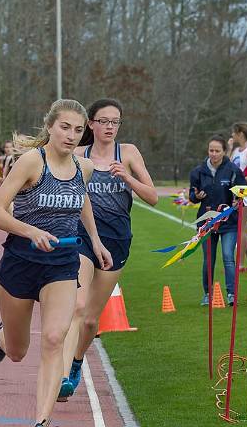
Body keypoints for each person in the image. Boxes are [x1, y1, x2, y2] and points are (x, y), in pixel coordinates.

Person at [0, 99, 112, 427]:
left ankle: (42, 420)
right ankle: (1, 338)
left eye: (78, 129)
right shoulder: (32, 162)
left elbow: (82, 199)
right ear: (50, 127)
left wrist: (96, 240)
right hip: (21, 261)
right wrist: (31, 231)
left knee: (55, 338)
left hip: (61, 264)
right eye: (65, 127)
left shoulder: (83, 167)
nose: (71, 135)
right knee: (17, 351)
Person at [58, 98, 158, 401]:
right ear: (91, 124)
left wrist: (127, 178)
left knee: (90, 319)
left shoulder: (127, 153)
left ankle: (76, 362)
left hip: (116, 242)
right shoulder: (78, 155)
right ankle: (62, 377)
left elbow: (152, 196)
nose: (110, 127)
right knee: (76, 306)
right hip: (83, 238)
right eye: (103, 121)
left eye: (115, 122)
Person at [189, 135, 246, 306]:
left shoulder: (233, 170)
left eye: (217, 151)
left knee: (228, 256)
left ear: (224, 151)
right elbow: (192, 196)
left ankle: (231, 294)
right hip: (206, 223)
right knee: (208, 259)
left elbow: (242, 192)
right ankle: (208, 294)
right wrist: (196, 196)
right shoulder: (198, 171)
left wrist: (238, 199)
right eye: (211, 150)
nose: (213, 154)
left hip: (228, 222)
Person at [230, 122, 247, 273]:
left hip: (245, 192)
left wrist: (239, 180)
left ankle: (239, 263)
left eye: (234, 133)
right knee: (243, 228)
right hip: (236, 192)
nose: (232, 135)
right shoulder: (236, 150)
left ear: (240, 133)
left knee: (240, 228)